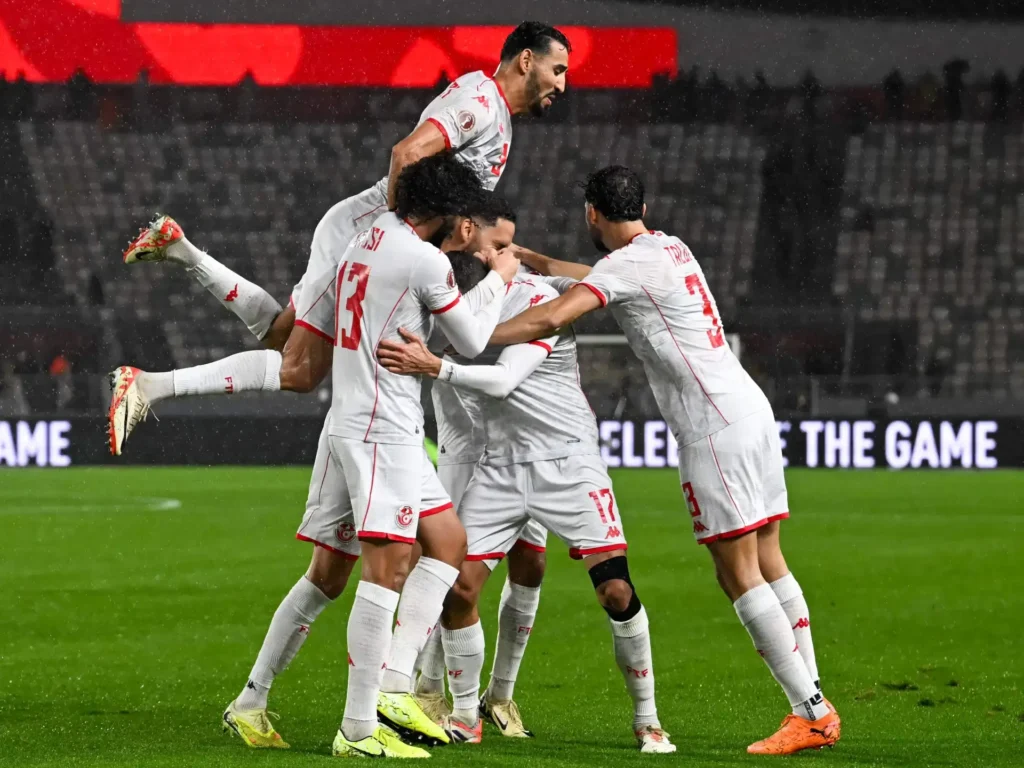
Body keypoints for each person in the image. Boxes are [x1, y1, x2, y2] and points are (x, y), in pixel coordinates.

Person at [109, 181, 520, 755]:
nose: (489, 253)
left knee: (378, 560)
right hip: (380, 431)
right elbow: (472, 340)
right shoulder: (424, 255)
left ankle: (252, 701)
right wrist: (502, 278)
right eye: (492, 243)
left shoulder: (368, 239)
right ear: (461, 220)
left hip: (351, 422)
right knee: (387, 567)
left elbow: (289, 334)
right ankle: (367, 718)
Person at [486, 165, 841, 756]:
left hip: (712, 428)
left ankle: (811, 711)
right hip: (747, 408)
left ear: (592, 213)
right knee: (770, 557)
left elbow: (551, 316)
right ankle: (811, 697)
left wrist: (471, 334)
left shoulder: (625, 267)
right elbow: (600, 278)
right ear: (642, 208)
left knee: (736, 572)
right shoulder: (668, 247)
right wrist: (539, 262)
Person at [376, 258, 677, 754]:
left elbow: (504, 379)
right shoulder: (454, 307)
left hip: (568, 464)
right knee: (458, 590)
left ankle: (648, 720)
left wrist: (437, 364)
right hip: (498, 467)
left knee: (615, 590)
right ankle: (466, 715)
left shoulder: (539, 298)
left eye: (501, 245)